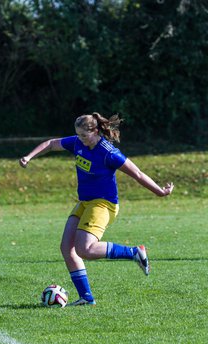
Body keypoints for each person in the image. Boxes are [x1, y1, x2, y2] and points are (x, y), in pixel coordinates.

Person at [19, 112, 174, 306]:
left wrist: (160, 192)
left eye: (84, 135)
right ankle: (86, 297)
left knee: (85, 249)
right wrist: (29, 156)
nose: (80, 140)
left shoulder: (109, 152)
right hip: (85, 202)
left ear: (95, 131)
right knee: (67, 248)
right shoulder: (77, 143)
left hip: (103, 204)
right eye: (78, 135)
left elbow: (138, 174)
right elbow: (51, 143)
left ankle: (134, 252)